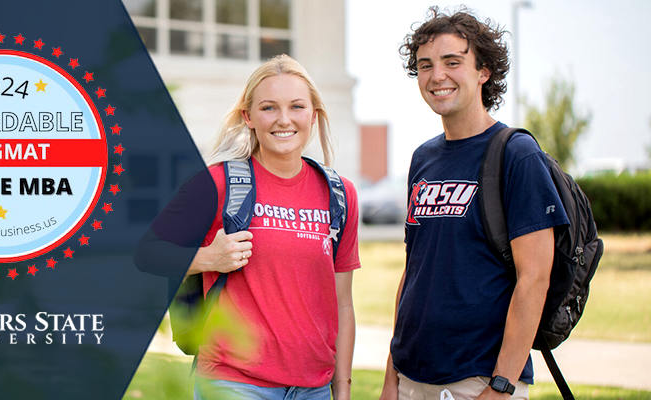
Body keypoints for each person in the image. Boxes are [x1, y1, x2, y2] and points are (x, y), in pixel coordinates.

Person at [138, 54, 360, 400]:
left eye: (297, 107)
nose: (284, 120)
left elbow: (342, 304)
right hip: (234, 383)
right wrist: (208, 258)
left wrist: (341, 388)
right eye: (269, 108)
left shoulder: (339, 194)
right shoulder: (217, 184)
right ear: (249, 117)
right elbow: (147, 253)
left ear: (313, 115)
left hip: (313, 388)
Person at [378, 7, 570, 400]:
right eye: (425, 65)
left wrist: (501, 387)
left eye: (453, 62)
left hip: (479, 380)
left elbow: (534, 278)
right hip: (413, 377)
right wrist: (391, 376)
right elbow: (415, 272)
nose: (437, 76)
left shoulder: (517, 154)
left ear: (483, 71)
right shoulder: (422, 159)